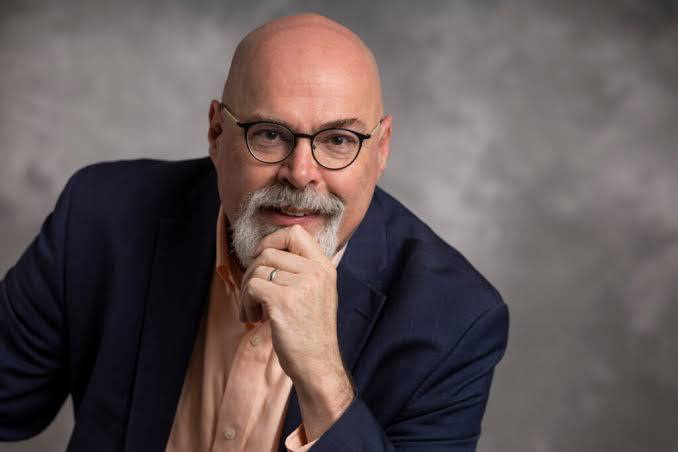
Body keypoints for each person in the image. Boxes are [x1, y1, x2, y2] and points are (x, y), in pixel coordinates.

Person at [0, 13, 509, 452]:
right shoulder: (101, 219)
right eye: (269, 134)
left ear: (381, 150)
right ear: (216, 133)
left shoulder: (457, 319)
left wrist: (322, 376)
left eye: (338, 140)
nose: (301, 173)